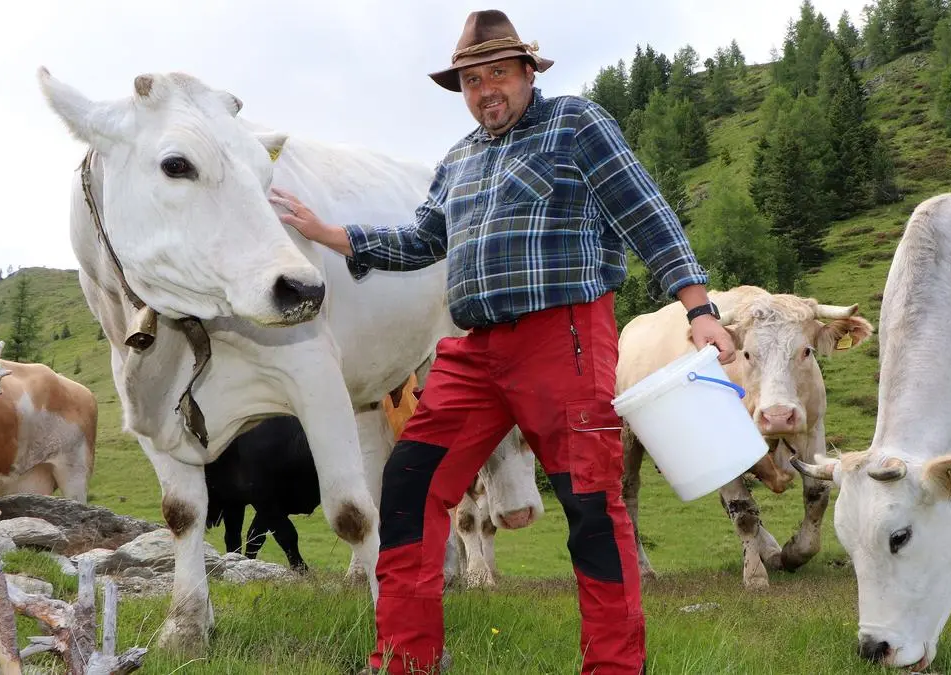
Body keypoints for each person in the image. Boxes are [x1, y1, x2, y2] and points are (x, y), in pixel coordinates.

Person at [268, 9, 735, 675]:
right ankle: (404, 659)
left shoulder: (575, 123)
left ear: (527, 73)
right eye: (471, 80)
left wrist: (699, 307)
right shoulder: (458, 159)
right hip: (475, 350)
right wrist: (335, 234)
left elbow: (645, 212)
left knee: (590, 500)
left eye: (497, 74)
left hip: (565, 337)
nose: (485, 89)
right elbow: (423, 240)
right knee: (410, 480)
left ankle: (613, 666)